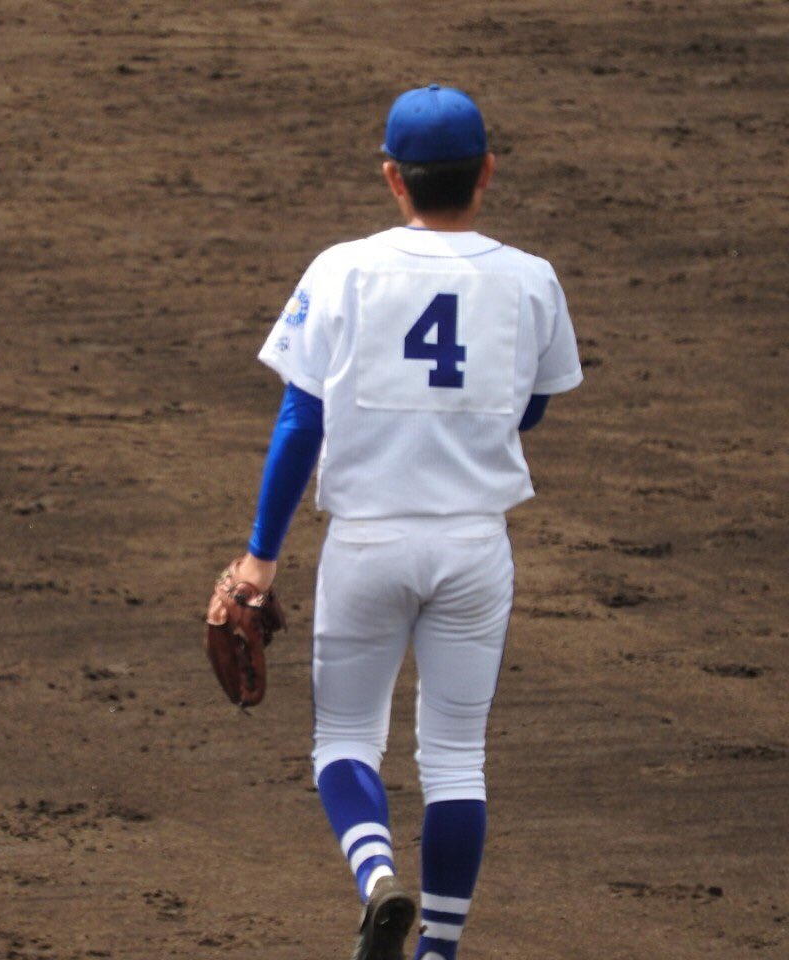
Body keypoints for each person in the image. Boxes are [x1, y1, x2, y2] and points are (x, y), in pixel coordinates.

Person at [221, 84, 583, 960]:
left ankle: (378, 875)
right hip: (473, 548)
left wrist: (260, 557)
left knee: (345, 739)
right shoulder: (531, 278)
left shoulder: (341, 268)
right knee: (456, 760)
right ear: (486, 173)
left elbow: (299, 422)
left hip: (368, 544)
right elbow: (527, 413)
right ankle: (439, 952)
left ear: (393, 179)